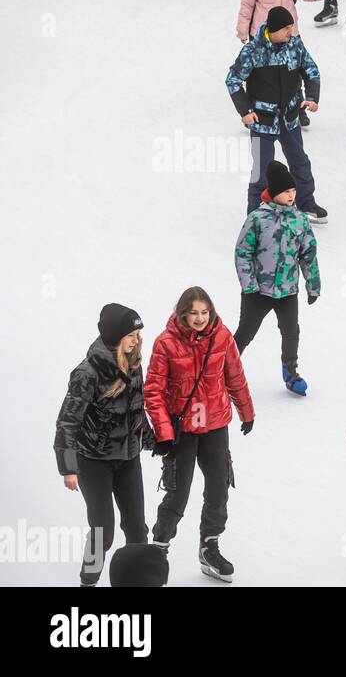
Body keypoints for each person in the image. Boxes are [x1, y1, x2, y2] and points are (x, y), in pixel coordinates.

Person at [144, 287, 255, 583]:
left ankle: (210, 546)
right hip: (183, 430)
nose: (200, 318)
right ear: (183, 312)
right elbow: (153, 391)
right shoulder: (165, 343)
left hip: (216, 424)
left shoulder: (222, 336)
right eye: (193, 312)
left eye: (204, 312)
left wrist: (247, 411)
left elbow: (235, 375)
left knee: (218, 489)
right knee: (178, 493)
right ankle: (159, 549)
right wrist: (164, 433)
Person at [54, 304, 153, 587]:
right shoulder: (87, 373)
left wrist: (151, 440)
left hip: (128, 458)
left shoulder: (134, 365)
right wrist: (68, 468)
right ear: (114, 335)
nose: (137, 339)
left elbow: (136, 410)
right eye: (131, 334)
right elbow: (67, 423)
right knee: (103, 532)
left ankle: (137, 582)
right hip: (93, 461)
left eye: (138, 333)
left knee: (137, 529)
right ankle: (89, 581)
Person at [226, 6, 327, 222]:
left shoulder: (295, 46)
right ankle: (255, 215)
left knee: (300, 162)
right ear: (272, 29)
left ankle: (306, 203)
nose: (290, 32)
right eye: (286, 29)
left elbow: (311, 70)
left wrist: (312, 97)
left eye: (292, 27)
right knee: (261, 170)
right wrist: (244, 111)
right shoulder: (253, 50)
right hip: (262, 122)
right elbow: (233, 80)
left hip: (289, 119)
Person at [233, 160, 322, 396]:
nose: (292, 196)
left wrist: (312, 285)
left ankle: (290, 373)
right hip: (258, 292)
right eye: (286, 192)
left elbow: (308, 254)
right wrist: (249, 285)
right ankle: (224, 372)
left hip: (287, 290)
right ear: (274, 193)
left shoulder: (300, 219)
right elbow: (243, 252)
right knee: (245, 333)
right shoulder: (258, 219)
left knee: (291, 331)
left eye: (293, 191)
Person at [237, 0, 324, 43]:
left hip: (289, 32)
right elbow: (247, 5)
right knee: (265, 69)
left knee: (294, 67)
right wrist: (243, 30)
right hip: (266, 34)